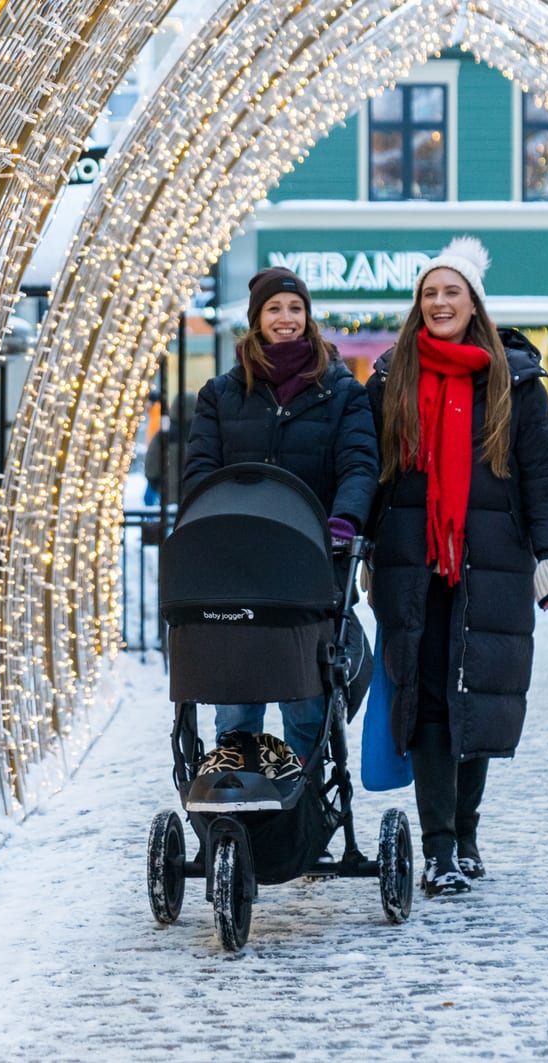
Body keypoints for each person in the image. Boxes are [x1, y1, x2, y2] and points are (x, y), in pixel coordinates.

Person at [365, 238, 548, 896]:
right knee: (428, 695)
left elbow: (544, 472)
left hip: (493, 558)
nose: (439, 302)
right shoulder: (391, 375)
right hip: (413, 559)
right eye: (429, 293)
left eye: (450, 291)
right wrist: (366, 546)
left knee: (478, 694)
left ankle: (465, 829)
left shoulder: (513, 379)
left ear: (474, 302)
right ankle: (438, 849)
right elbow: (368, 468)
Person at [182, 266, 378, 759]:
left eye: (295, 308)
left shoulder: (341, 393)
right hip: (236, 570)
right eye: (274, 309)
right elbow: (201, 472)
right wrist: (212, 526)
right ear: (256, 319)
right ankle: (240, 802)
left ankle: (304, 815)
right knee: (236, 700)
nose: (286, 318)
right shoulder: (222, 396)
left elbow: (359, 465)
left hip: (312, 566)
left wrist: (344, 521)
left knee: (306, 701)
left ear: (307, 317)